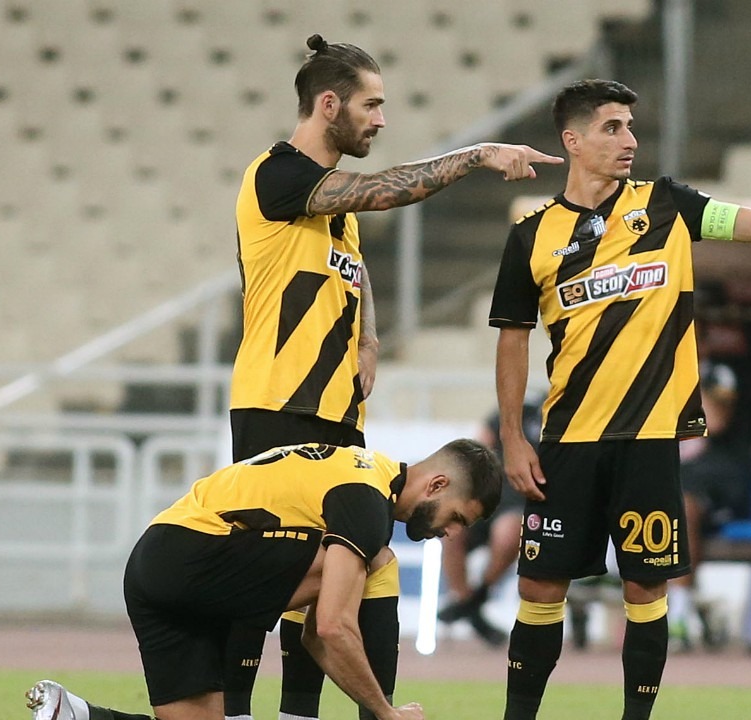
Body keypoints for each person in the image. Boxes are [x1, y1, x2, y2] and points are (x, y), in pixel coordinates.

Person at [489, 78, 751, 720]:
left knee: (646, 588)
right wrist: (512, 437)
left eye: (631, 127)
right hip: (568, 438)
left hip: (650, 439)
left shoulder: (667, 205)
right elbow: (512, 341)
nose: (630, 140)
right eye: (612, 128)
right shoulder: (531, 235)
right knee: (540, 585)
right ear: (572, 140)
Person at [226, 34, 562, 720]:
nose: (381, 119)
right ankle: (231, 710)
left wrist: (370, 337)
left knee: (332, 576)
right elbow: (385, 190)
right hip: (276, 407)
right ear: (328, 104)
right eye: (371, 105)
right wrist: (477, 155)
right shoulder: (278, 176)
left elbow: (356, 264)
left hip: (335, 417)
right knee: (270, 572)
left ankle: (299, 713)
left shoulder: (330, 212)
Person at [26, 439, 504, 720]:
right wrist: (386, 711)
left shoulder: (357, 465)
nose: (450, 534)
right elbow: (329, 629)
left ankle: (76, 713)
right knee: (376, 561)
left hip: (153, 564)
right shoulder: (367, 502)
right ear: (437, 484)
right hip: (194, 556)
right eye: (456, 518)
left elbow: (318, 634)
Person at [437, 393, 546, 647]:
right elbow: (479, 448)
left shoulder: (564, 419)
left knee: (509, 533)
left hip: (520, 501)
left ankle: (476, 597)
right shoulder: (522, 411)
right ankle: (468, 604)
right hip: (487, 495)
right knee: (451, 529)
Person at [667, 360, 751, 650]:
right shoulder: (658, 373)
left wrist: (690, 384)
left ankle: (678, 613)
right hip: (677, 480)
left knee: (683, 506)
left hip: (721, 484)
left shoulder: (719, 375)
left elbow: (715, 421)